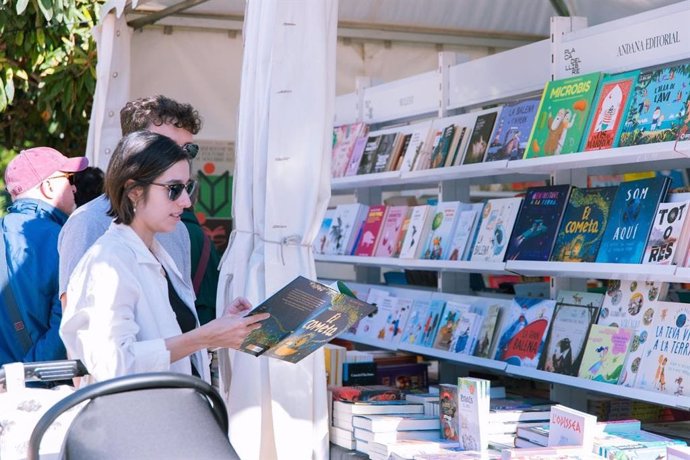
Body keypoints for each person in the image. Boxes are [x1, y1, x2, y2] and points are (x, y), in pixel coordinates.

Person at [60, 131, 269, 384]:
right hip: (138, 418)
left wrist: (221, 330)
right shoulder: (109, 262)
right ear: (134, 190)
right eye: (174, 189)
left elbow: (167, 342)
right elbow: (112, 362)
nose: (186, 202)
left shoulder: (155, 253)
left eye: (188, 188)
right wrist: (204, 337)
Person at [58, 95, 200, 308]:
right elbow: (80, 325)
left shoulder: (178, 229)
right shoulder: (89, 222)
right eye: (166, 146)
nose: (180, 157)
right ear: (134, 147)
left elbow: (181, 316)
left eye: (188, 149)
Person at [0, 147, 88, 367]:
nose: (75, 187)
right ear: (48, 187)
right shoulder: (63, 239)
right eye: (69, 178)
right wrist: (30, 374)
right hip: (46, 387)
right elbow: (68, 323)